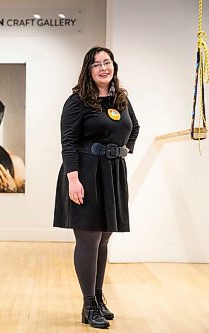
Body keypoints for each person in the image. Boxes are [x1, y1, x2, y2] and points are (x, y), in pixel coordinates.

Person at [53, 46, 140, 329]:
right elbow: (68, 142)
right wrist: (73, 178)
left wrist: (122, 151)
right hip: (86, 175)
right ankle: (88, 305)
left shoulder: (121, 100)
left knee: (103, 240)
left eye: (107, 62)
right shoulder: (77, 101)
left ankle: (99, 299)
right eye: (96, 64)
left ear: (114, 66)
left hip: (112, 175)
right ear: (88, 71)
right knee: (88, 241)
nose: (103, 67)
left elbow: (134, 128)